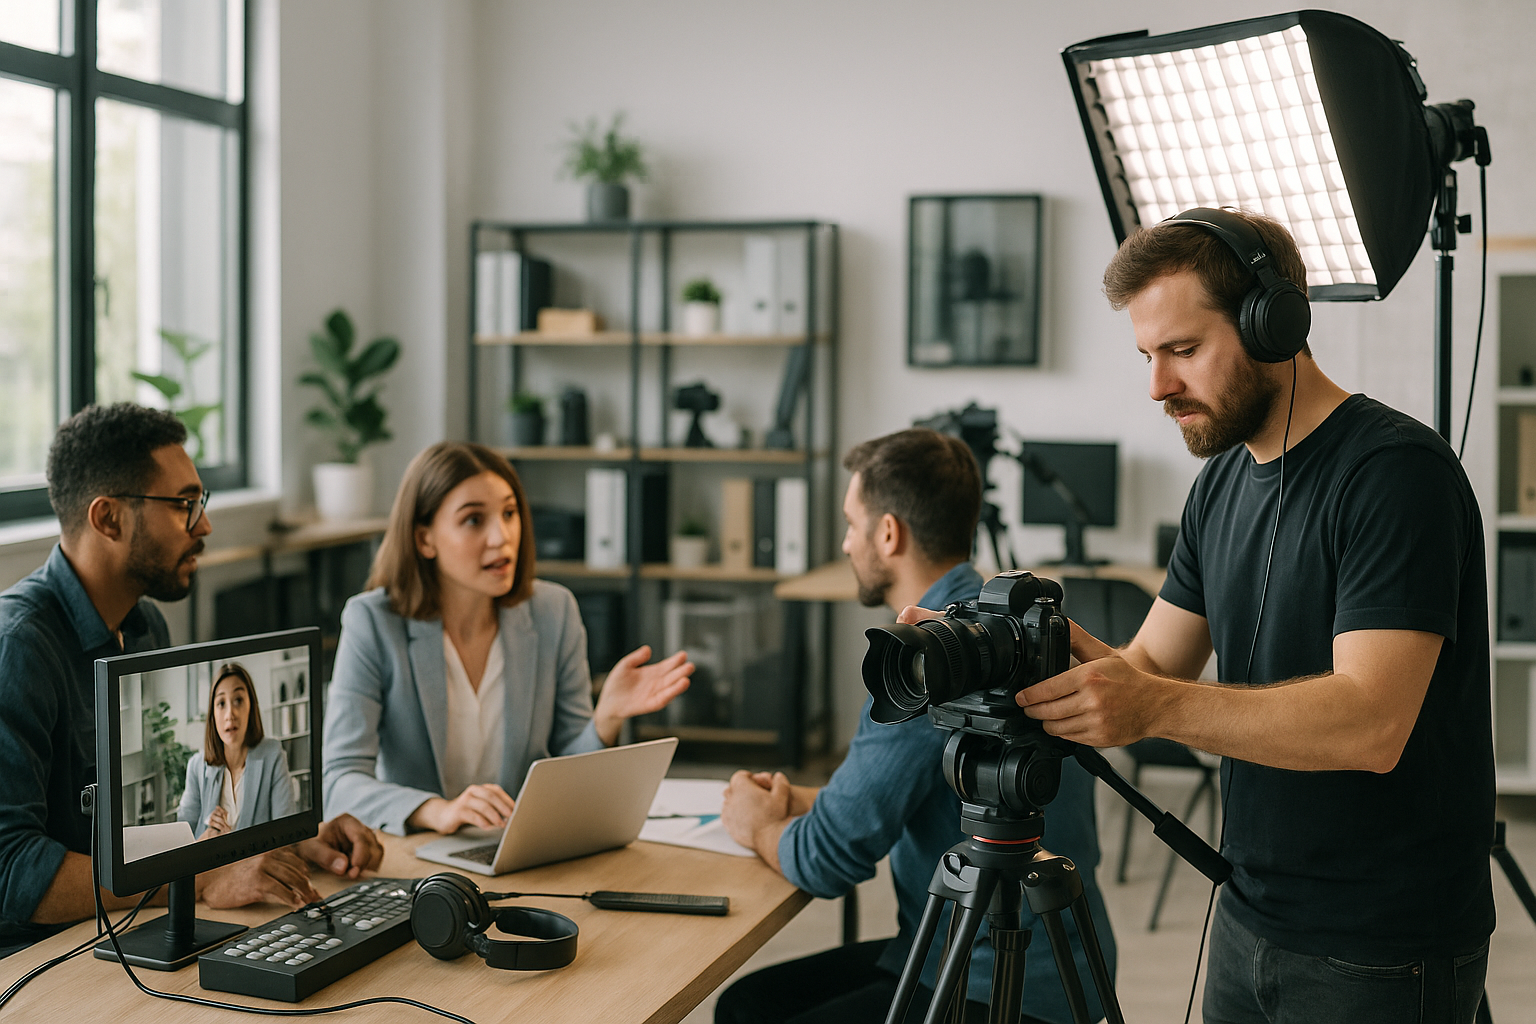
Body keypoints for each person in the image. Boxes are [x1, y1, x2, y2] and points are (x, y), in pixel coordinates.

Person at [995, 208, 1493, 1022]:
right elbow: (1154, 666)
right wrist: (1025, 654)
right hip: (1244, 911)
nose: (1158, 385)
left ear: (1276, 324)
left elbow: (1372, 723)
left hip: (1381, 945)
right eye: (1148, 356)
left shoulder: (1395, 476)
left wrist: (1148, 703)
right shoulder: (1220, 485)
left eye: (1183, 351)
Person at [716, 428, 1115, 1024]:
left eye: (852, 524)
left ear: (888, 533)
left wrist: (756, 827)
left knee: (747, 1012)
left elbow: (826, 859)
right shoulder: (1009, 634)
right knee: (752, 1001)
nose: (847, 543)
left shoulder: (930, 662)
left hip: (987, 981)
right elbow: (927, 791)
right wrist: (809, 800)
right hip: (1064, 966)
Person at [0, 403, 383, 961]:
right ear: (108, 519)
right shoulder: (19, 647)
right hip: (44, 962)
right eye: (183, 505)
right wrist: (200, 878)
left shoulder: (143, 622)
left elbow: (162, 828)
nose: (203, 525)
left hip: (126, 936)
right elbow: (12, 872)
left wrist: (287, 837)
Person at [322, 441, 694, 835]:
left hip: (520, 849)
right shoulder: (373, 622)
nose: (501, 537)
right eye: (473, 520)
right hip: (417, 858)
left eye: (509, 513)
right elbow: (340, 781)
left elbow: (568, 771)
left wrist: (606, 719)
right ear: (424, 539)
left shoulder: (554, 611)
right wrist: (437, 810)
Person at [179, 662, 299, 839]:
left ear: (251, 706)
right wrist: (205, 840)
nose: (230, 714)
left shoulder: (272, 755)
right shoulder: (196, 767)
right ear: (213, 714)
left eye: (238, 701)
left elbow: (286, 835)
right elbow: (182, 844)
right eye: (221, 703)